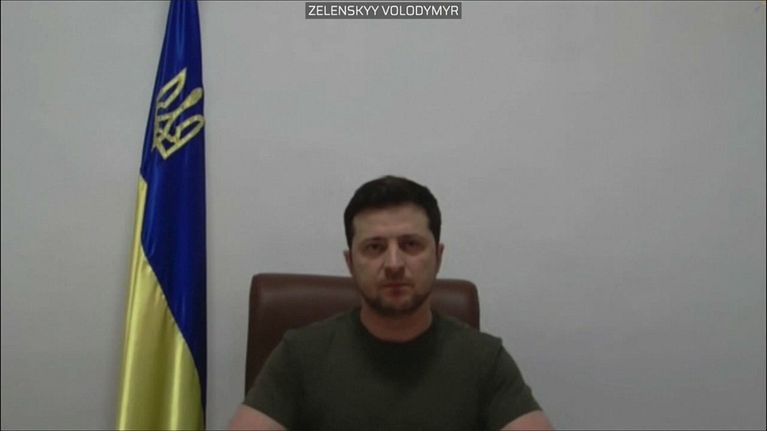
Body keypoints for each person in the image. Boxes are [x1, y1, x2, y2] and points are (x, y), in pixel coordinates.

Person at [228, 175, 553, 431]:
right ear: (350, 263)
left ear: (438, 257)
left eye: (411, 245)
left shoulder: (484, 361)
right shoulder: (300, 355)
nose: (394, 264)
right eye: (374, 247)